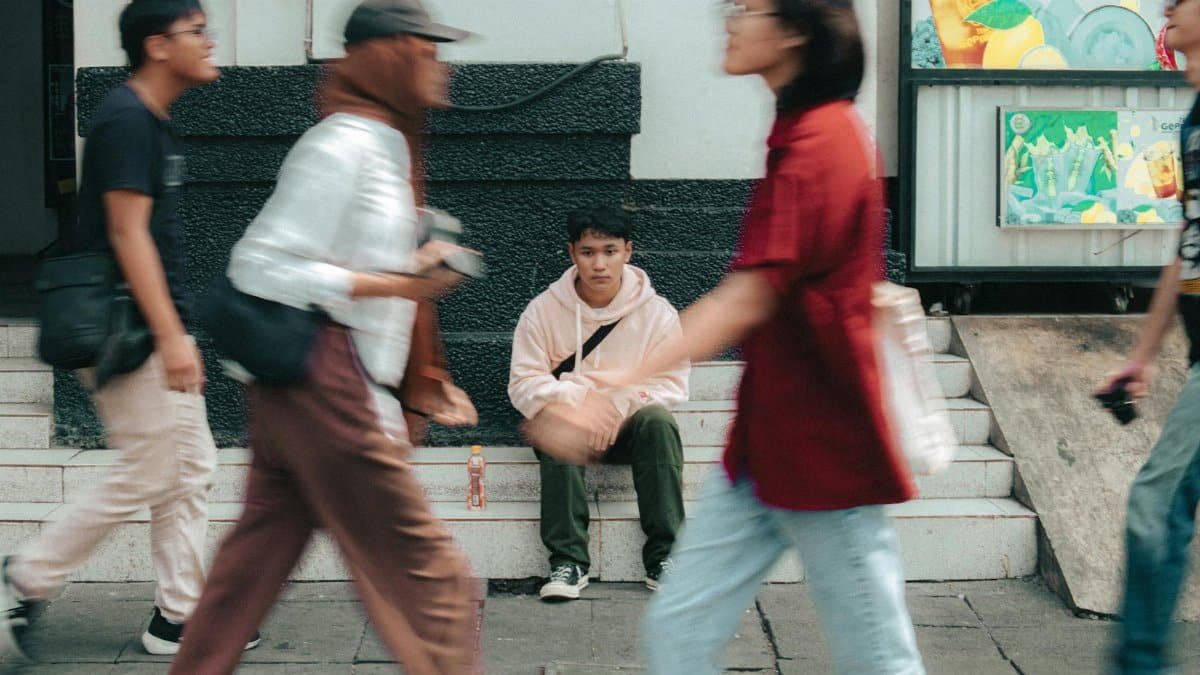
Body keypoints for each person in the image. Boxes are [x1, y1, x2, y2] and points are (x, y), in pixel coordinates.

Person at [598, 1, 927, 672]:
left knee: (879, 658)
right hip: (762, 448)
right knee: (678, 633)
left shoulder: (823, 142)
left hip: (827, 451)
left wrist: (612, 385)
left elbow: (746, 296)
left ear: (795, 29)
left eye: (745, 8)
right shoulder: (799, 130)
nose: (728, 19)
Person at [166, 1, 483, 673]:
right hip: (327, 385)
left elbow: (363, 261)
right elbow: (262, 264)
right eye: (428, 52)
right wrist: (399, 286)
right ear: (390, 57)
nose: (442, 68)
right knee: (439, 584)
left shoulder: (386, 141)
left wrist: (412, 280)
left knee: (243, 577)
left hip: (310, 392)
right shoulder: (342, 144)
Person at [0, 0, 252, 659]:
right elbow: (126, 231)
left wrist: (178, 331)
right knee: (151, 468)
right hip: (131, 331)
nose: (210, 41)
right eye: (197, 31)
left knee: (189, 466)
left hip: (150, 325)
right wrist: (171, 336)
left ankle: (179, 615)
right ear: (157, 45)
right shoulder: (127, 118)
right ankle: (23, 579)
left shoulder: (146, 120)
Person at [509, 205, 688, 601]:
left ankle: (665, 557)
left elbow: (673, 384)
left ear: (628, 250)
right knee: (554, 419)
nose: (599, 264)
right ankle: (567, 562)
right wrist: (581, 400)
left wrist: (621, 403)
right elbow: (522, 383)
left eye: (609, 251)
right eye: (588, 252)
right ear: (572, 253)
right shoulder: (542, 310)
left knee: (658, 420)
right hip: (573, 429)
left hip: (631, 428)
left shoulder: (657, 314)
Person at [1100, 1, 1200, 672]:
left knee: (1156, 502)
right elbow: (1185, 251)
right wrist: (1142, 355)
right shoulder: (1194, 118)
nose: (1168, 7)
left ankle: (1138, 663)